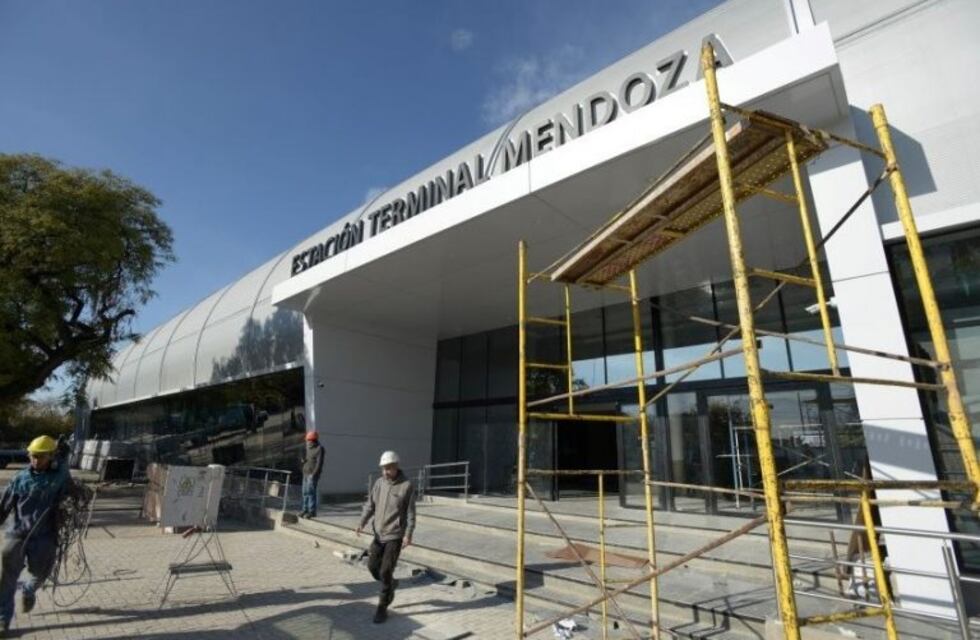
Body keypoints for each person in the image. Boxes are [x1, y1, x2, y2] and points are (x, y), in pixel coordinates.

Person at [0, 435, 71, 636]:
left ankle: (29, 590)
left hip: (44, 537)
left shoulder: (59, 476)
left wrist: (63, 454)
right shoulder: (20, 479)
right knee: (6, 580)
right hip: (17, 534)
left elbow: (67, 477)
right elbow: (3, 505)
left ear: (50, 456)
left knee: (41, 573)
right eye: (33, 456)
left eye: (40, 456)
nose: (35, 460)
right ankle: (3, 620)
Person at [355, 450, 416, 624]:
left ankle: (383, 606)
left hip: (395, 535)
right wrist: (362, 522)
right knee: (373, 567)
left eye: (388, 468)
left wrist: (408, 534)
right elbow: (370, 505)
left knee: (385, 570)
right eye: (383, 468)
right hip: (378, 534)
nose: (385, 472)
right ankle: (391, 583)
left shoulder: (407, 486)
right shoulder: (379, 483)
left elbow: (411, 513)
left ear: (396, 466)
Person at [299, 431, 324, 519]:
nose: (307, 442)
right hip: (305, 473)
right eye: (307, 440)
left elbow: (319, 463)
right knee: (304, 492)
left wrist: (314, 474)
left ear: (313, 440)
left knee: (311, 493)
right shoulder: (307, 448)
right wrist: (302, 459)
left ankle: (311, 511)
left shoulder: (319, 449)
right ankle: (305, 509)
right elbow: (305, 458)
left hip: (312, 475)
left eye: (308, 440)